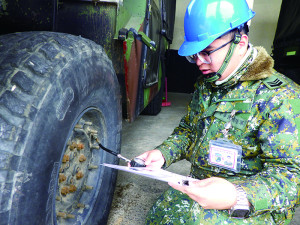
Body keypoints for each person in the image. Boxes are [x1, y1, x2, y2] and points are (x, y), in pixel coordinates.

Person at [135, 0, 300, 224]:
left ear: (240, 43)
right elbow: (189, 131)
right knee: (160, 215)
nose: (199, 63)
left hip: (251, 205)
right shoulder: (208, 83)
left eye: (207, 52)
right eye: (194, 55)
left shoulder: (281, 98)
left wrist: (236, 195)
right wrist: (163, 153)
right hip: (202, 187)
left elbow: (291, 176)